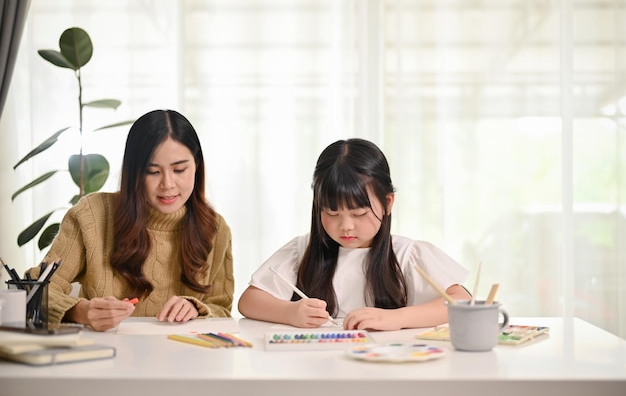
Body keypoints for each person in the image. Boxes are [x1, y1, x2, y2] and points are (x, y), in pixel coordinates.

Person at [26, 109, 234, 333]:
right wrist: (80, 311)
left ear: (197, 167)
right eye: (153, 172)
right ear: (134, 172)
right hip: (107, 357)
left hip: (185, 359)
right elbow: (35, 289)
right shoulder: (92, 215)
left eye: (180, 169)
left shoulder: (215, 228)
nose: (168, 184)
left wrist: (196, 307)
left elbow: (221, 309)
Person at [238, 138, 470, 332]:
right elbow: (249, 301)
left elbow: (462, 301)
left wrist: (396, 319)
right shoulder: (303, 249)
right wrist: (290, 312)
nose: (346, 226)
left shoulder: (407, 254)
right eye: (332, 212)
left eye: (358, 213)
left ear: (388, 203)